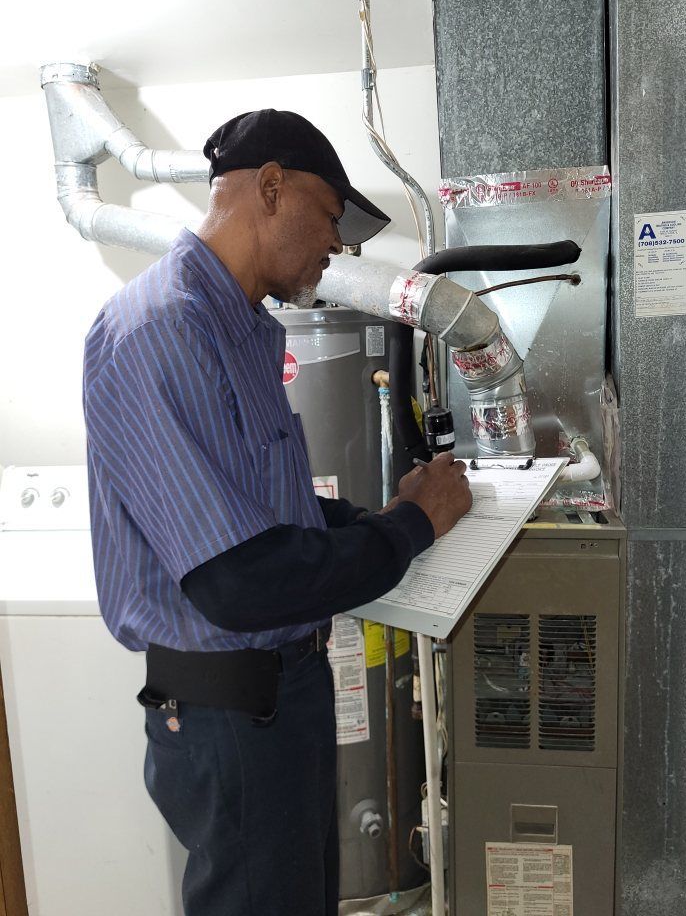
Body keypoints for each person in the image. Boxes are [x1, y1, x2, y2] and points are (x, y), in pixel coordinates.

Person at [82, 109, 472, 916]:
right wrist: (409, 530)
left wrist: (381, 517)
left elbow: (270, 519)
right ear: (271, 187)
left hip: (278, 701)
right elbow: (241, 580)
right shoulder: (160, 331)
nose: (338, 247)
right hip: (231, 718)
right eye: (332, 218)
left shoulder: (240, 332)